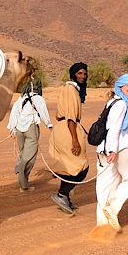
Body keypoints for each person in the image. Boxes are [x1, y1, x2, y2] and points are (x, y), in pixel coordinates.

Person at [95, 74, 128, 232]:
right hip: (120, 148)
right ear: (120, 87)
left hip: (104, 150)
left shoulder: (112, 102)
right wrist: (112, 150)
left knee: (105, 187)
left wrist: (109, 150)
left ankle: (103, 227)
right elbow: (115, 128)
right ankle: (113, 207)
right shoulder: (123, 104)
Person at [47, 62, 90, 214]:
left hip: (65, 128)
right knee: (82, 167)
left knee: (69, 166)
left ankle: (64, 197)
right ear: (73, 75)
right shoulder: (71, 89)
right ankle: (62, 194)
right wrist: (75, 140)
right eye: (79, 73)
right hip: (68, 129)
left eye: (84, 73)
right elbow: (71, 116)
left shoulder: (73, 89)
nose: (83, 76)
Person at [6, 77, 53, 192]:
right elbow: (43, 113)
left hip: (19, 129)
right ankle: (23, 180)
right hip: (31, 128)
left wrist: (12, 129)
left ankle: (23, 178)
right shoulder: (38, 98)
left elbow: (14, 113)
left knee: (23, 154)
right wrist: (49, 125)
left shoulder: (21, 98)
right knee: (30, 157)